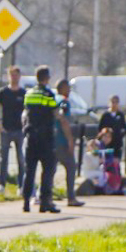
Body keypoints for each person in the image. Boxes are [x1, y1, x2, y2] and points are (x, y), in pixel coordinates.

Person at [20, 66, 62, 215]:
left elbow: (27, 111)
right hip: (46, 138)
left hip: (31, 136)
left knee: (29, 170)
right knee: (48, 170)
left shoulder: (29, 94)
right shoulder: (48, 94)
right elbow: (55, 113)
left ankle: (26, 201)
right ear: (46, 78)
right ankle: (45, 202)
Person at [0, 65, 26, 196]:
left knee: (21, 158)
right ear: (8, 76)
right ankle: (1, 184)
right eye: (12, 75)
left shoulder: (23, 93)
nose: (14, 77)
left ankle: (21, 185)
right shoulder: (3, 92)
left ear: (19, 76)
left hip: (19, 130)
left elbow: (27, 110)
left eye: (16, 75)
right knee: (3, 158)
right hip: (6, 129)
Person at [55, 78, 84, 207]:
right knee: (71, 167)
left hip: (51, 140)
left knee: (49, 169)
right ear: (61, 88)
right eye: (67, 87)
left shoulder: (52, 99)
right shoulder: (64, 102)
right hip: (62, 140)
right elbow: (64, 121)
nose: (69, 90)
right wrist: (70, 140)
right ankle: (71, 198)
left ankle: (42, 195)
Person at [98, 96, 126, 160]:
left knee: (116, 162)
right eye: (112, 102)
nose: (114, 104)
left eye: (116, 102)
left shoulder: (120, 115)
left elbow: (124, 127)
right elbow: (100, 128)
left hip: (117, 144)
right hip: (107, 144)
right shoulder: (105, 115)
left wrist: (120, 135)